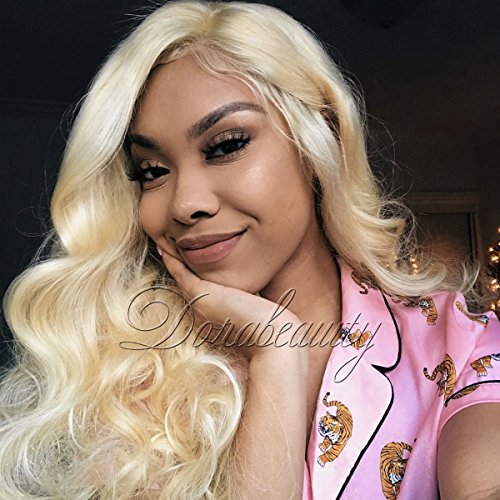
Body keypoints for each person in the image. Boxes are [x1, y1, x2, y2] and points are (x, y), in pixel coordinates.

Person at [0, 1, 499, 498]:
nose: (185, 203)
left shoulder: (460, 347)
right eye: (151, 171)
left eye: (226, 145)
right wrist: (276, 352)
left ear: (319, 139)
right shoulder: (120, 378)